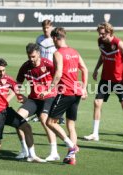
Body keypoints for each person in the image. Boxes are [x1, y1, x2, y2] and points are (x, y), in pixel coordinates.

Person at [0, 58, 46, 162]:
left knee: (27, 127)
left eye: (4, 70)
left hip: (6, 111)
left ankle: (32, 155)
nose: (2, 73)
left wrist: (20, 97)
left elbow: (17, 90)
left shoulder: (8, 80)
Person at [41, 27, 88, 165]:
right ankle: (71, 158)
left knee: (50, 122)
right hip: (76, 93)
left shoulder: (57, 53)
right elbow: (84, 68)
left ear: (55, 38)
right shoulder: (74, 51)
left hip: (65, 92)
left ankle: (71, 146)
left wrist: (49, 89)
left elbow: (58, 73)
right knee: (71, 125)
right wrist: (84, 88)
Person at [84, 22, 123, 144]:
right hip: (106, 78)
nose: (100, 36)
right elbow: (103, 55)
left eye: (103, 34)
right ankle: (95, 133)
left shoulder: (118, 43)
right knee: (97, 103)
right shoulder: (100, 41)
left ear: (109, 32)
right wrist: (96, 69)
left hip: (119, 80)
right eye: (99, 33)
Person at [15, 43, 59, 161]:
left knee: (44, 119)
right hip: (34, 99)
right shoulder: (25, 67)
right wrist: (19, 95)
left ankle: (54, 152)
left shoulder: (48, 64)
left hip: (48, 97)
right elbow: (17, 84)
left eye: (33, 57)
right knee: (18, 118)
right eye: (29, 57)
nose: (31, 59)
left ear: (39, 54)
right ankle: (25, 150)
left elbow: (58, 76)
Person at [35, 19, 65, 124]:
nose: (45, 30)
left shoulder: (55, 39)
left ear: (51, 27)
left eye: (47, 27)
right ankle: (40, 113)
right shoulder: (39, 39)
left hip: (54, 68)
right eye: (44, 28)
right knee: (41, 90)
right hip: (43, 69)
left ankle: (59, 115)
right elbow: (36, 52)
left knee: (57, 91)